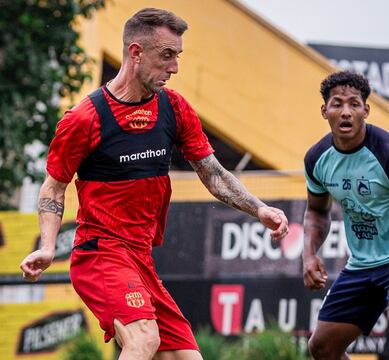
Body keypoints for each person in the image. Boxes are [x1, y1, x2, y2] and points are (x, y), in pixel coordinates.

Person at [19, 8, 289, 360]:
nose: (174, 68)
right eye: (166, 56)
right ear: (136, 53)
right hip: (101, 254)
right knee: (143, 340)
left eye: (177, 56)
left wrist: (260, 208)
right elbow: (53, 188)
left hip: (141, 260)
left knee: (186, 357)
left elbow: (213, 173)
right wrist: (47, 245)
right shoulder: (84, 119)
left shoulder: (174, 108)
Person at [302, 71, 389, 360]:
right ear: (324, 111)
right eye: (337, 104)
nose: (346, 112)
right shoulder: (317, 158)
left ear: (366, 109)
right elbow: (316, 212)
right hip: (363, 264)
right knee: (321, 346)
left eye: (354, 104)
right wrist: (309, 254)